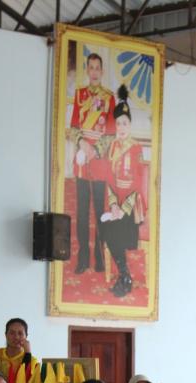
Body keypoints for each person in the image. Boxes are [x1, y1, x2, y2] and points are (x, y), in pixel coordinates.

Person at [70, 52, 115, 275]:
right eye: (91, 67)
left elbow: (111, 132)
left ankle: (99, 257)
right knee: (81, 212)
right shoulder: (80, 95)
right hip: (82, 159)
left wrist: (95, 150)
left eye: (98, 68)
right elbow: (73, 128)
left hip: (99, 161)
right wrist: (82, 145)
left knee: (99, 211)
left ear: (102, 71)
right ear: (87, 70)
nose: (95, 72)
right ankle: (83, 258)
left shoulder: (109, 98)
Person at [100, 85, 147, 298]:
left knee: (116, 228)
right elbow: (109, 178)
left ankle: (124, 276)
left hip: (131, 204)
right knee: (106, 227)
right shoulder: (112, 147)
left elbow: (138, 182)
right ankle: (125, 275)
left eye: (125, 123)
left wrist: (122, 208)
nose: (121, 127)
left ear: (130, 125)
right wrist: (112, 204)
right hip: (116, 201)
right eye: (118, 123)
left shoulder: (136, 148)